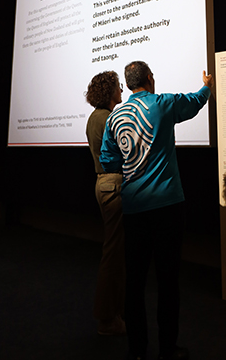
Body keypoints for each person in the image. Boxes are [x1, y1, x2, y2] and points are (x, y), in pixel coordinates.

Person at [100, 61, 213, 360]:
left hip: (134, 208)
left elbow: (108, 160)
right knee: (167, 280)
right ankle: (167, 348)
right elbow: (194, 102)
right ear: (150, 79)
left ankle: (137, 349)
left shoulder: (114, 118)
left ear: (127, 84)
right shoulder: (163, 104)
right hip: (167, 207)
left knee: (134, 281)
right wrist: (207, 86)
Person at [85, 71, 126, 336]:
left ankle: (111, 314)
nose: (122, 89)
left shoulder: (94, 118)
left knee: (115, 250)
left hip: (104, 184)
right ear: (110, 91)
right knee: (113, 253)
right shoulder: (109, 118)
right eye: (118, 86)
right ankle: (107, 318)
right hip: (114, 185)